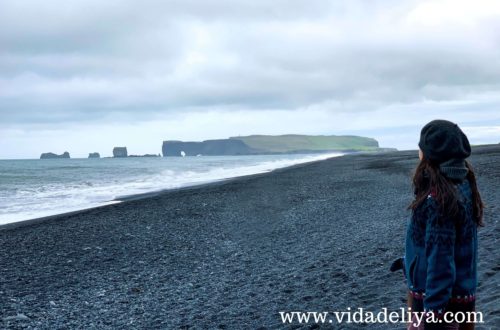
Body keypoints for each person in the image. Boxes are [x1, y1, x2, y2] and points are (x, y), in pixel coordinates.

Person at [404, 120, 484, 330]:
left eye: (420, 147)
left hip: (439, 302)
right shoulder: (462, 185)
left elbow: (440, 259)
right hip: (463, 294)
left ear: (430, 153)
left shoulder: (439, 199)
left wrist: (434, 314)